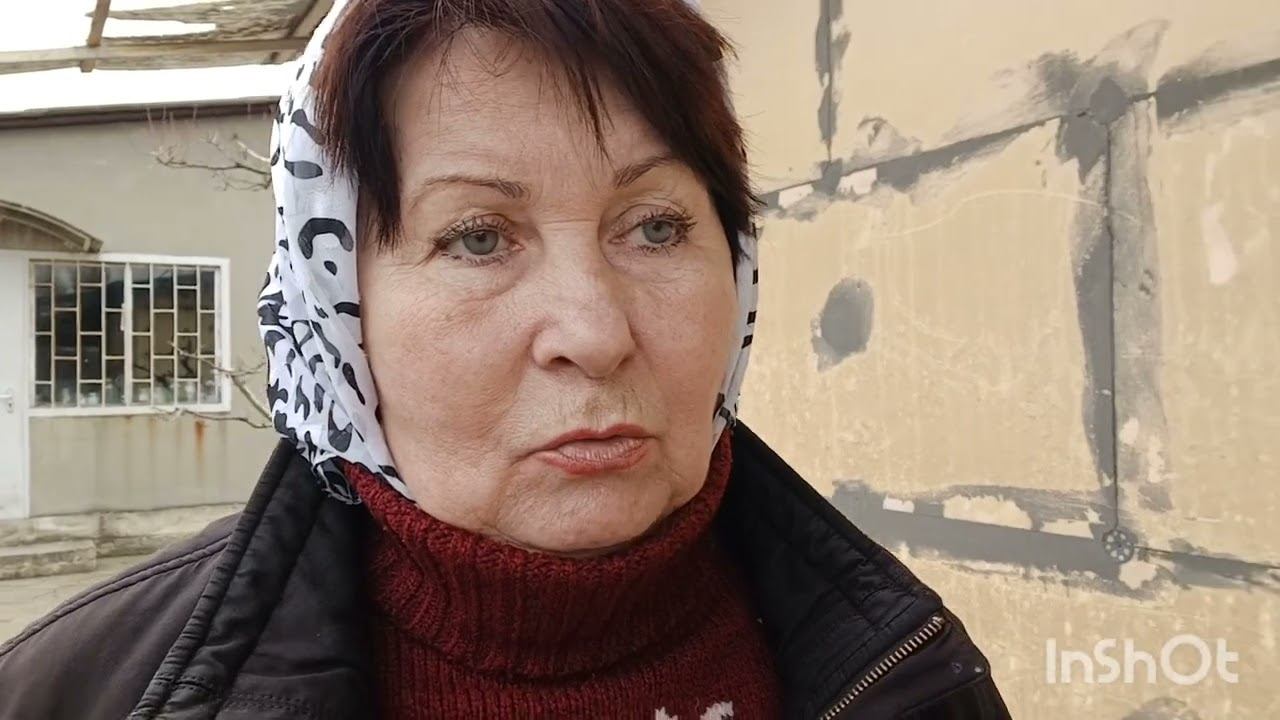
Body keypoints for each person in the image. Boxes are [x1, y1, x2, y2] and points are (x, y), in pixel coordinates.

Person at [0, 1, 1012, 718]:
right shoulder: (82, 691)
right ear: (338, 309)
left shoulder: (907, 671)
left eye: (656, 227)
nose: (595, 332)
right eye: (478, 237)